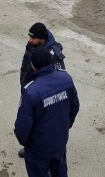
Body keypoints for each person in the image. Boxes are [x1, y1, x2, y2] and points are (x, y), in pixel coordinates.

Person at [14, 48, 80, 177]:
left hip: (38, 147)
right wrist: (66, 126)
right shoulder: (66, 78)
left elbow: (23, 125)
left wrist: (26, 143)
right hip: (60, 141)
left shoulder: (31, 91)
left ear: (33, 65)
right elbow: (75, 107)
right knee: (60, 172)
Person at [18, 22, 66, 158]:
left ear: (42, 38)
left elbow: (59, 80)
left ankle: (50, 158)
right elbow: (25, 65)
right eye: (29, 37)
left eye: (33, 38)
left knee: (45, 125)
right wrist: (23, 84)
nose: (30, 40)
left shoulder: (54, 54)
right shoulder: (31, 46)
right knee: (29, 122)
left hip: (43, 97)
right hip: (29, 92)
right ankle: (30, 147)